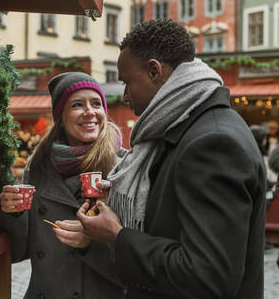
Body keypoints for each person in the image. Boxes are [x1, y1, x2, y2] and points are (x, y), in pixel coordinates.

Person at [76, 19, 266, 298]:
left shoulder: (213, 143)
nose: (125, 95)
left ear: (154, 70)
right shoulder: (187, 127)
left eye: (127, 82)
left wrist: (117, 236)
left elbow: (208, 276)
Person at [0, 72, 126, 298]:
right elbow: (18, 253)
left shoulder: (124, 168)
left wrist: (90, 244)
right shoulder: (38, 168)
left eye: (96, 103)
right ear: (61, 116)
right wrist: (14, 214)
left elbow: (138, 268)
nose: (90, 111)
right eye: (77, 104)